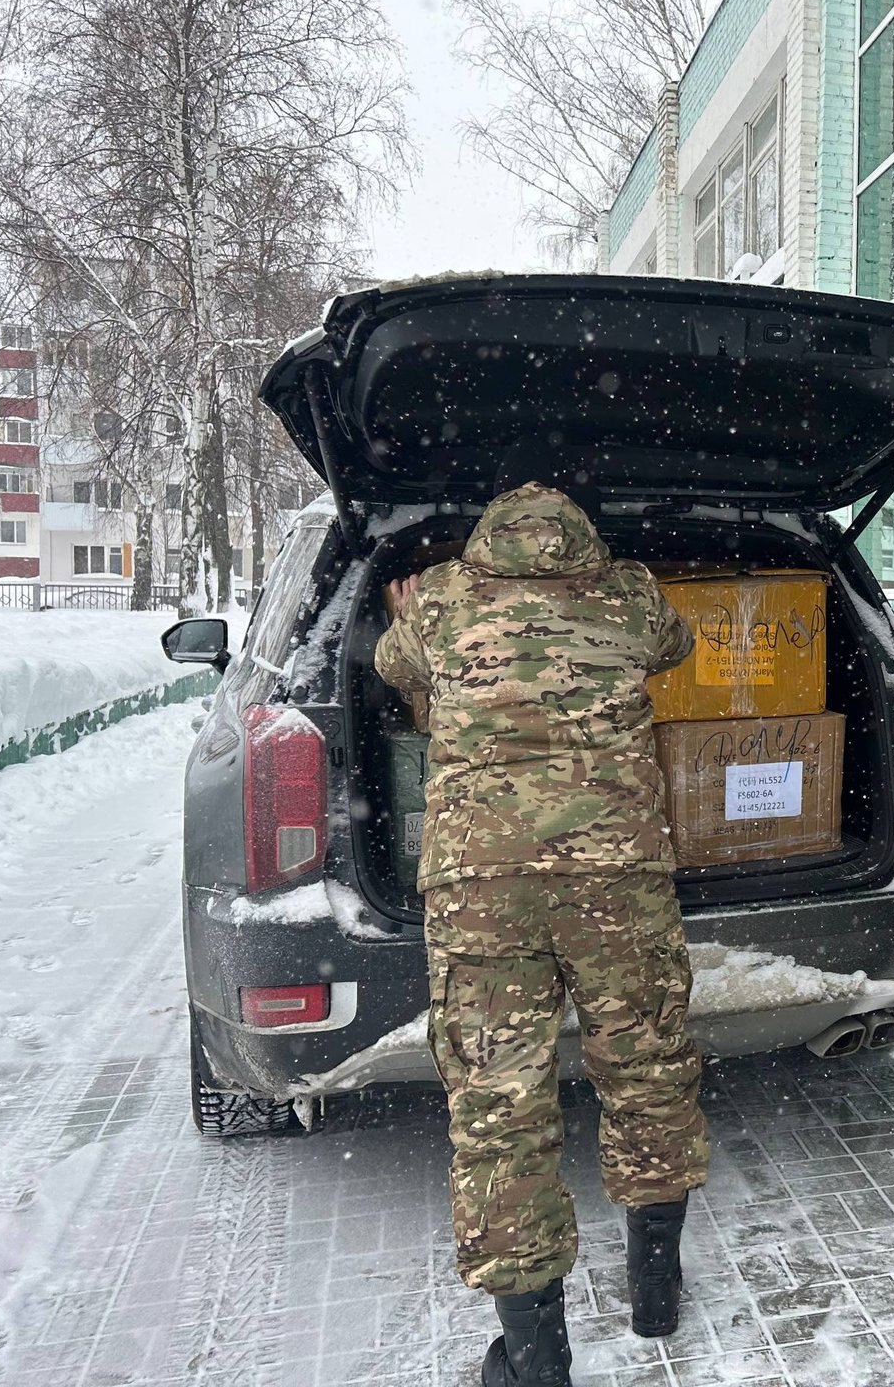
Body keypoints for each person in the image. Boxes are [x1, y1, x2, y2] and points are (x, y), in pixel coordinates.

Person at [375, 482, 707, 1387]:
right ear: (582, 537)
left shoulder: (442, 597)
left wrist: (417, 620)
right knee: (647, 1071)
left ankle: (535, 1358)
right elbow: (678, 646)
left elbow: (393, 667)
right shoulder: (630, 593)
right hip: (617, 879)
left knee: (501, 1108)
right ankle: (655, 1291)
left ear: (488, 537)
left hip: (482, 888)